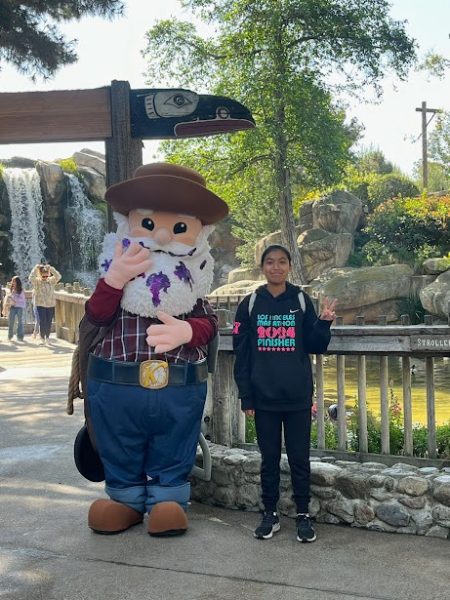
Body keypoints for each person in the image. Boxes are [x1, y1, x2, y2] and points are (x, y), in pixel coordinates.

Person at [72, 162, 228, 537]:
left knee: (173, 444)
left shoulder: (190, 284)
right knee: (119, 443)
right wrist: (115, 280)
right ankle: (124, 501)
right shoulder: (116, 272)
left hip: (178, 388)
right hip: (116, 388)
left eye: (177, 228)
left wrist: (187, 330)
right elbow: (97, 314)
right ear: (129, 223)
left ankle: (167, 501)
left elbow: (209, 325)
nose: (160, 234)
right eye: (148, 223)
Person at [232, 244, 336, 543]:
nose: (275, 267)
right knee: (268, 460)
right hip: (263, 399)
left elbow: (315, 345)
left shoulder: (301, 301)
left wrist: (325, 321)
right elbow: (242, 354)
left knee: (300, 459)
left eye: (281, 262)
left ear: (289, 266)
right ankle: (270, 514)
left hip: (298, 398)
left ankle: (303, 515)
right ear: (262, 267)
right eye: (269, 262)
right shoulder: (250, 304)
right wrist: (246, 397)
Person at [28, 264, 62, 345]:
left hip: (50, 304)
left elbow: (58, 276)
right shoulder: (37, 282)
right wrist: (35, 268)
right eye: (43, 276)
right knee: (42, 321)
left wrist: (51, 268)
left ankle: (48, 338)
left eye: (46, 276)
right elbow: (31, 278)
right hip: (40, 304)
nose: (45, 278)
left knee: (48, 322)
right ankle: (43, 338)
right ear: (40, 275)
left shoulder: (51, 281)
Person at [3, 276, 26, 342]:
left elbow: (22, 300)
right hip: (12, 307)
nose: (13, 282)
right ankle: (10, 336)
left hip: (19, 307)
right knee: (11, 321)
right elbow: (8, 297)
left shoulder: (21, 290)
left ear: (17, 282)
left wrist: (13, 298)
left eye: (14, 281)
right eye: (12, 281)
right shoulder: (11, 289)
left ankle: (20, 336)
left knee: (20, 322)